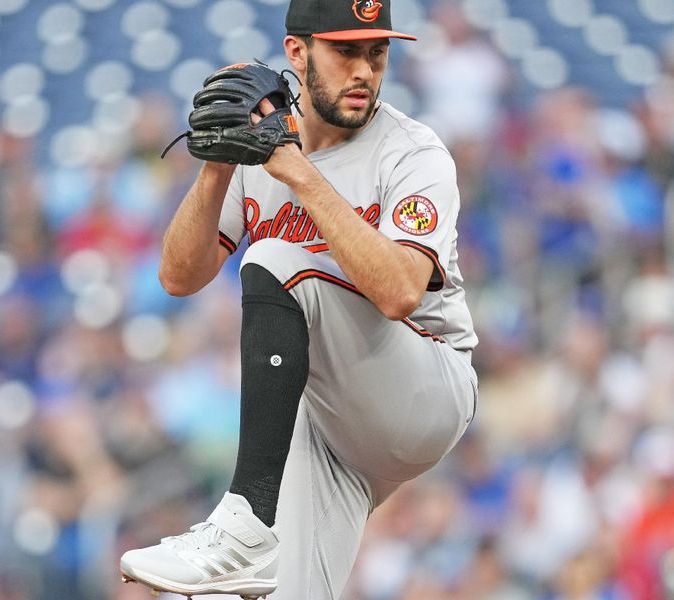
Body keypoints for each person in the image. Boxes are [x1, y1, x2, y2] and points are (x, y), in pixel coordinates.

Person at [119, 0, 478, 598]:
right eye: (346, 51)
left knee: (275, 258)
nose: (364, 70)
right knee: (287, 592)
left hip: (424, 381)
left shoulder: (414, 154)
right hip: (330, 413)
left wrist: (298, 172)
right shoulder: (263, 151)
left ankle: (244, 522)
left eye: (377, 52)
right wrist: (217, 166)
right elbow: (178, 277)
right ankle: (250, 550)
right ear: (297, 52)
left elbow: (398, 293)